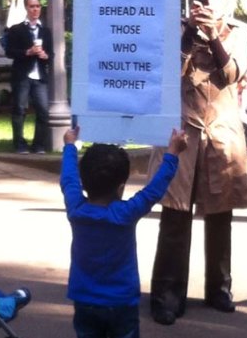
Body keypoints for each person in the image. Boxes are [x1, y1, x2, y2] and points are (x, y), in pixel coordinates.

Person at [148, 0, 247, 326]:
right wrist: (191, 34)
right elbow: (164, 74)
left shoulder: (239, 32)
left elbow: (230, 76)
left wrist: (213, 37)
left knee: (220, 215)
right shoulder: (177, 30)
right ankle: (166, 295)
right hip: (182, 135)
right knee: (175, 216)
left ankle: (219, 289)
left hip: (222, 135)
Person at [60, 126, 186, 338]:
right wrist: (172, 153)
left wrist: (70, 146)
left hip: (84, 299)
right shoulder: (125, 214)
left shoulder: (76, 209)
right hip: (121, 301)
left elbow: (69, 179)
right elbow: (154, 191)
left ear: (85, 182)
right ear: (120, 188)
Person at [6, 0, 54, 154]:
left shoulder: (45, 31)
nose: (35, 9)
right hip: (22, 75)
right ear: (26, 8)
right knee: (19, 109)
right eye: (32, 6)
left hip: (39, 76)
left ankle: (38, 145)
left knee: (43, 111)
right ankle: (19, 144)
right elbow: (10, 52)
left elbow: (51, 54)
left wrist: (44, 55)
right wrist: (28, 52)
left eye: (38, 6)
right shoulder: (16, 29)